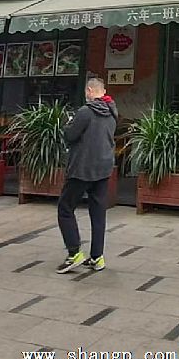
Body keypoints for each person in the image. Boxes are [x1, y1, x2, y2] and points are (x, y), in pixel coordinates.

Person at [57, 77, 118, 273]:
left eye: (86, 91)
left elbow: (70, 135)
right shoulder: (112, 111)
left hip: (82, 169)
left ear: (90, 91)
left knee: (65, 208)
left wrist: (68, 125)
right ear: (104, 91)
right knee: (98, 213)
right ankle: (97, 257)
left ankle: (74, 253)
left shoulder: (85, 112)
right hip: (104, 168)